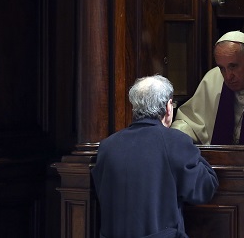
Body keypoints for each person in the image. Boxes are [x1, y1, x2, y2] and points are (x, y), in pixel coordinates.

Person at [91, 75, 219, 238]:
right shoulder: (175, 142)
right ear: (168, 107)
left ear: (134, 107)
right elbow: (205, 189)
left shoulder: (107, 146)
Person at [171, 30, 244, 145]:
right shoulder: (213, 78)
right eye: (222, 68)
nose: (228, 76)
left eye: (233, 66)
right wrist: (175, 135)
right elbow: (190, 122)